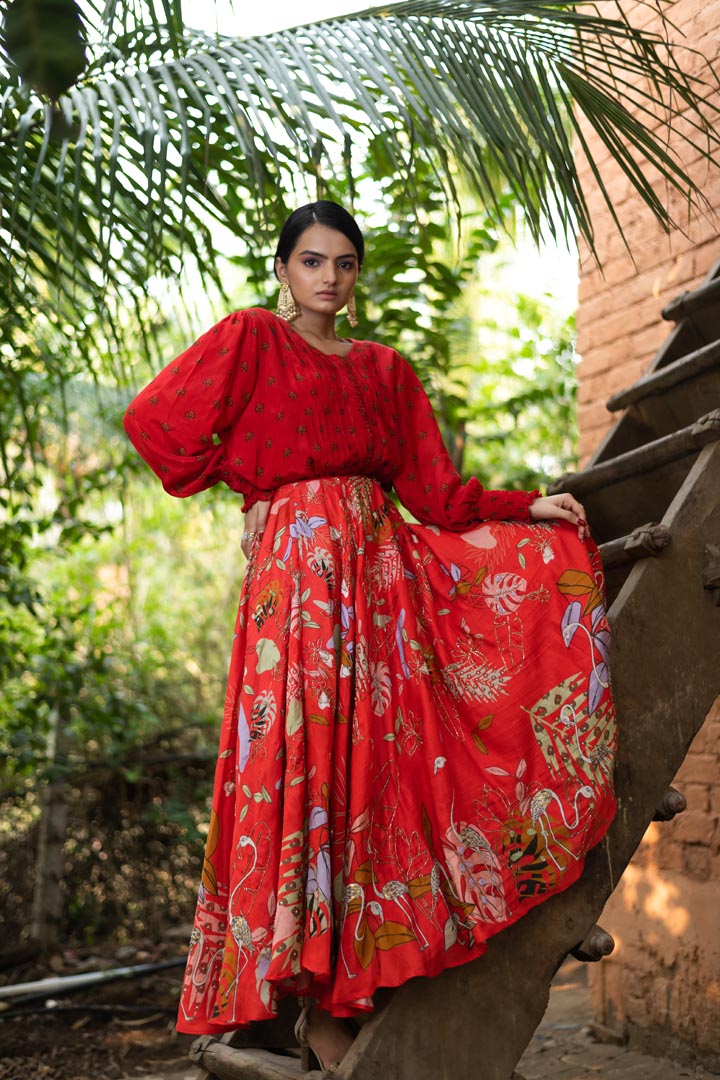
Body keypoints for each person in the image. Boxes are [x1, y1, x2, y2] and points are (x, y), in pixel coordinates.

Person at [124, 201, 616, 1073]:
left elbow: (434, 491)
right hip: (299, 583)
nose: (329, 278)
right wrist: (250, 487)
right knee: (301, 759)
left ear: (356, 276)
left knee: (376, 768)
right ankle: (307, 994)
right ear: (284, 270)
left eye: (345, 263)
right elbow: (156, 423)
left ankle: (357, 970)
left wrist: (525, 507)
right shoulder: (250, 340)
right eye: (312, 261)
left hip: (377, 584)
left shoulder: (385, 370)